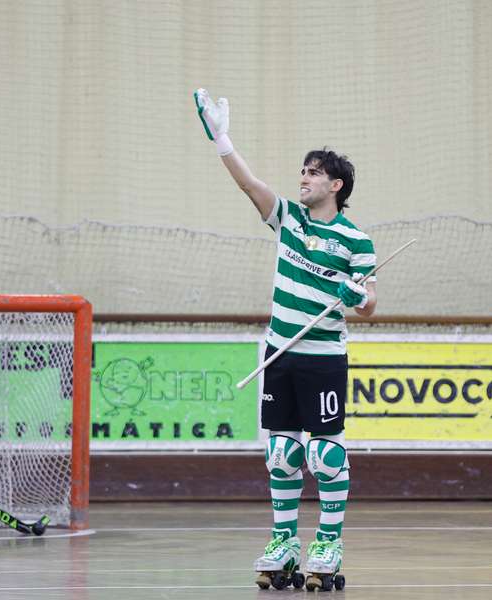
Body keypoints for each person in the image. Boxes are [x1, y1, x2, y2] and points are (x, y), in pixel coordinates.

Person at [194, 88, 376, 591]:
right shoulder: (288, 220)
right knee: (281, 452)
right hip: (279, 351)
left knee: (326, 454)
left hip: (322, 358)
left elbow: (371, 305)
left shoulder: (357, 241)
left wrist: (355, 294)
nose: (304, 177)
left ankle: (329, 543)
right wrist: (221, 138)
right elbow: (250, 185)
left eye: (314, 172)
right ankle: (284, 541)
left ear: (336, 184)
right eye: (303, 170)